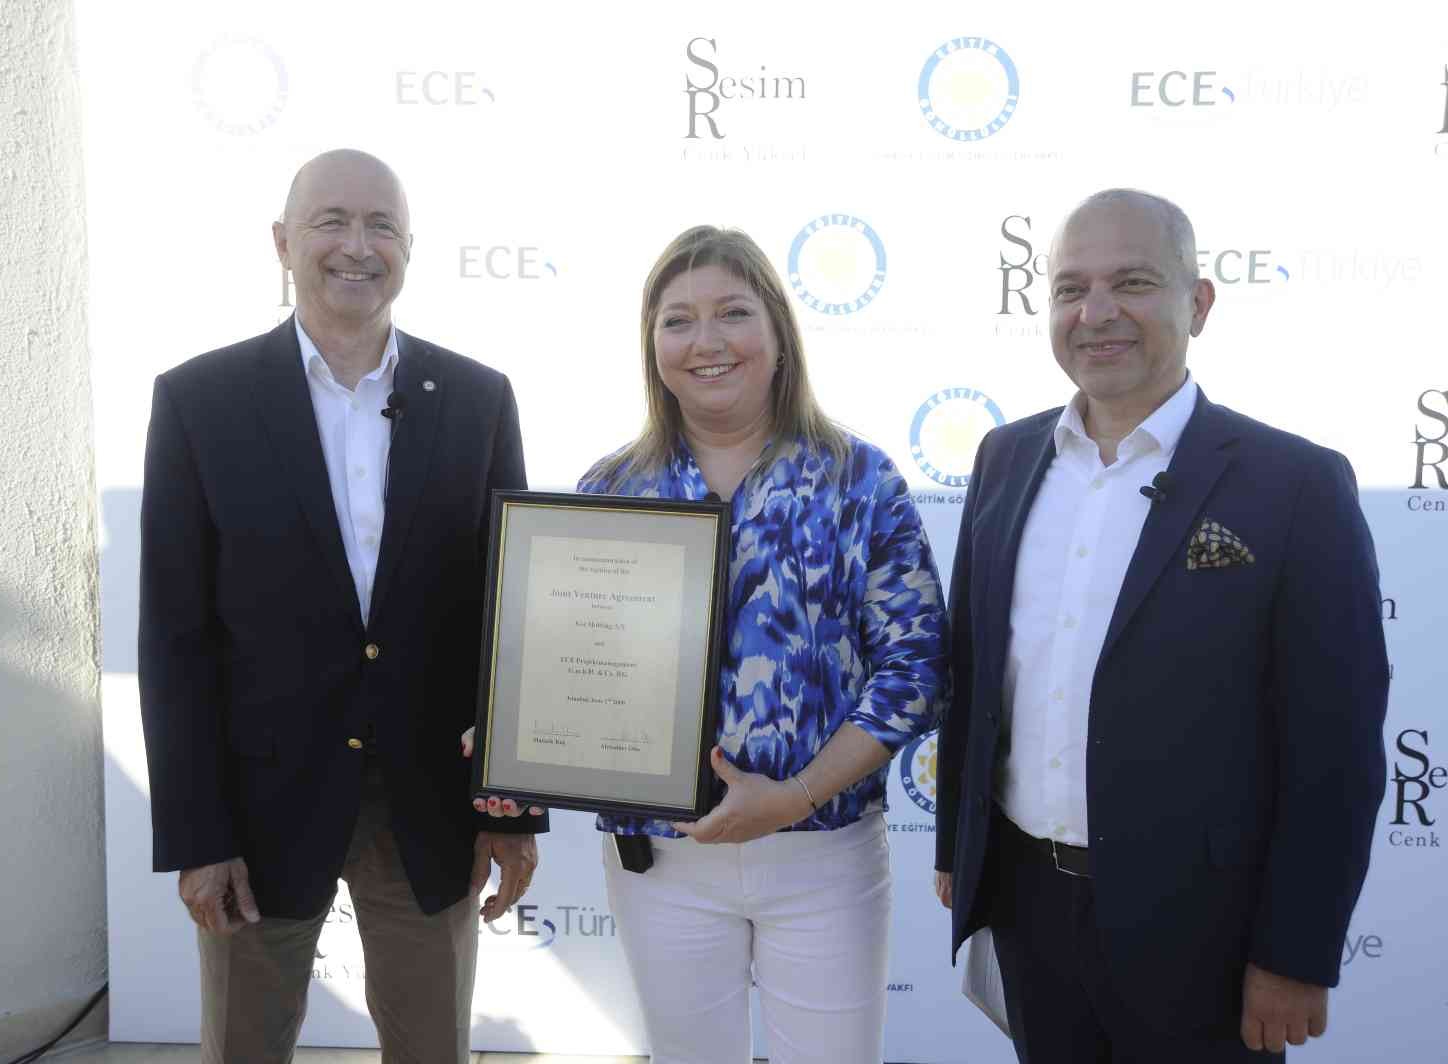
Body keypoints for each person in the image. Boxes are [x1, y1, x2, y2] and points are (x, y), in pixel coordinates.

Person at [934, 189, 1388, 1062]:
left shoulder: (1295, 484)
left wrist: (1294, 954)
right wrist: (962, 846)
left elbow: (1334, 750)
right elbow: (978, 670)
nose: (1096, 312)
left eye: (1133, 282)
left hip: (1205, 934)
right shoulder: (1004, 458)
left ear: (1199, 303)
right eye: (1071, 289)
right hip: (1028, 911)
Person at [137, 148, 545, 1064]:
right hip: (257, 812)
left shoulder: (478, 400)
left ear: (410, 248)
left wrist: (512, 810)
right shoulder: (199, 402)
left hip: (430, 806)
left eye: (381, 226)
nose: (357, 246)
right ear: (283, 243)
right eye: (331, 221)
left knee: (432, 1048)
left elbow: (507, 618)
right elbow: (174, 638)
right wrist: (198, 835)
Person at [565, 225, 949, 1063]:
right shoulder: (612, 487)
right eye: (677, 320)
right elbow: (580, 655)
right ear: (652, 345)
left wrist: (798, 794)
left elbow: (916, 670)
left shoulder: (859, 479)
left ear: (778, 331)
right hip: (659, 863)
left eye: (733, 312)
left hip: (823, 855)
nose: (706, 341)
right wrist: (521, 732)